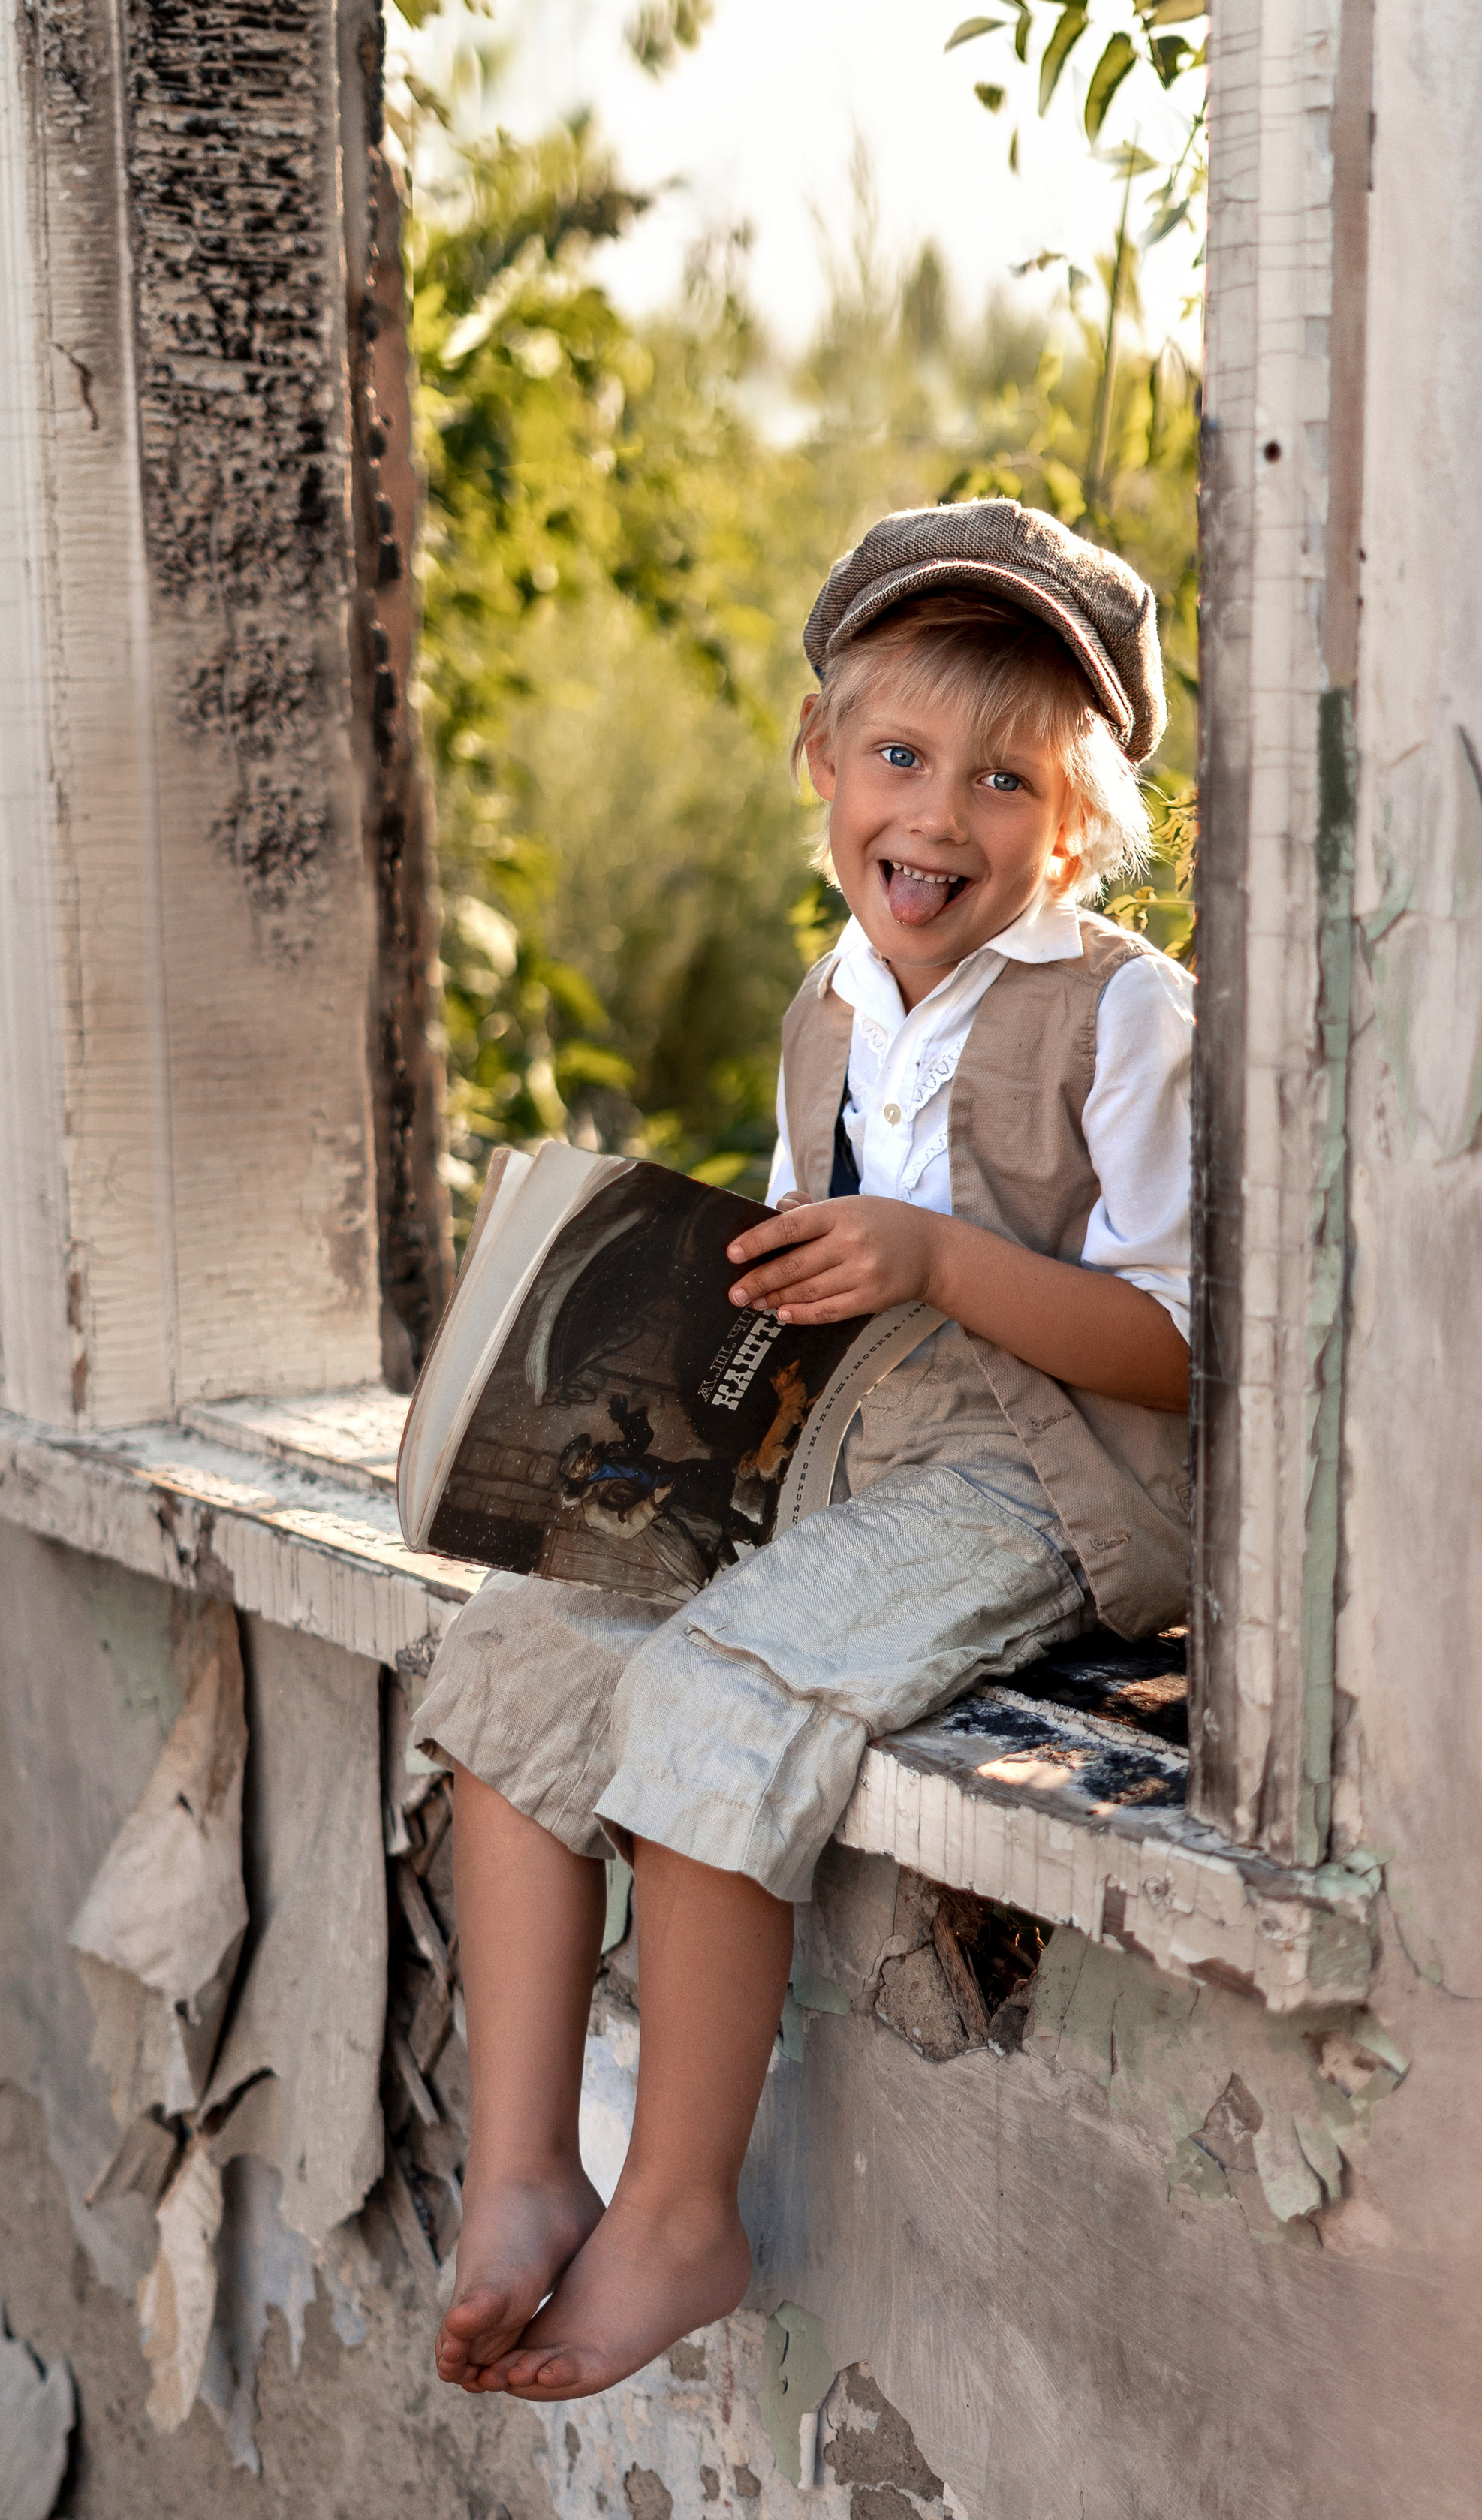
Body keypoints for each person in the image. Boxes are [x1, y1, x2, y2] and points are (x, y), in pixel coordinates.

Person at [415, 499, 1195, 2403]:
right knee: (518, 1647)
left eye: (1003, 779)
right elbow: (790, 1300)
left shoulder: (1125, 1016)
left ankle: (680, 2212)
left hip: (1053, 1479)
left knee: (721, 1687)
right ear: (823, 764)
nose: (936, 816)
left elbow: (1177, 1354)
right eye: (900, 758)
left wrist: (937, 1257)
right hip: (846, 1458)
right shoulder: (827, 1015)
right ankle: (522, 2169)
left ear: (1073, 826)